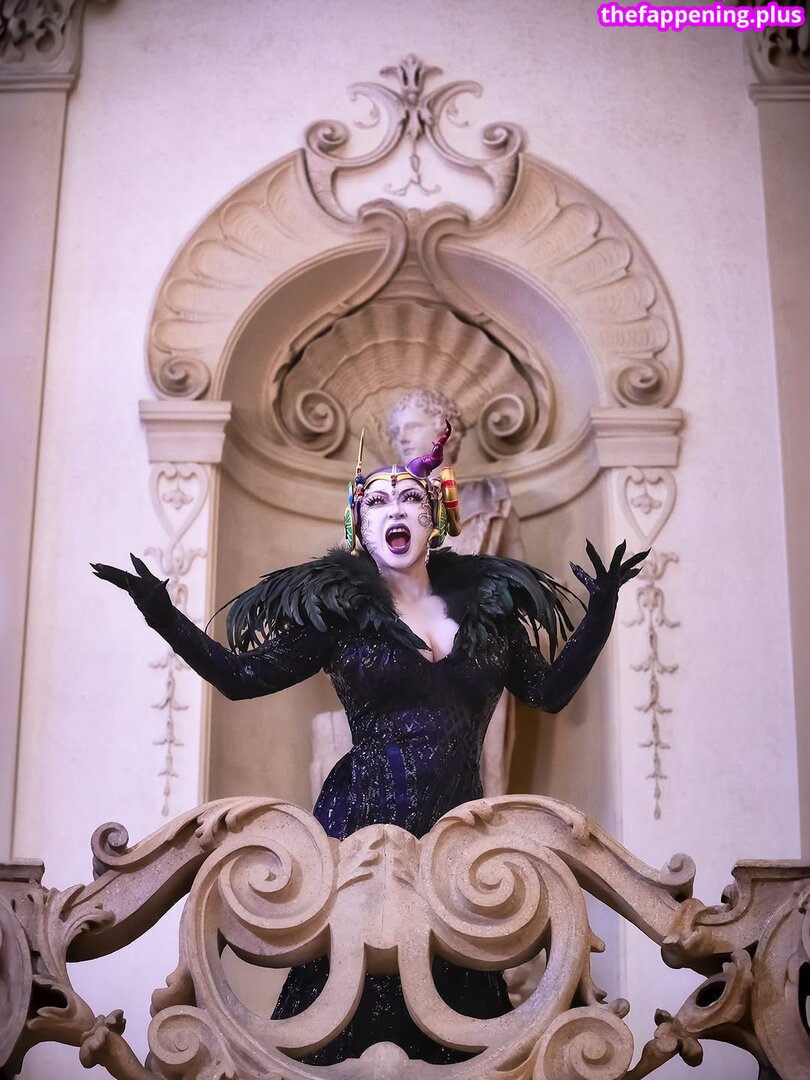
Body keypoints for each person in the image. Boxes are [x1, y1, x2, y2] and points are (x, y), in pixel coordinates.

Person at [92, 419, 645, 1064]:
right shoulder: (342, 615)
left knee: (467, 1012)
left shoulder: (490, 612)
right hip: (362, 827)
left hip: (459, 835)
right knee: (342, 1005)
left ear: (434, 517)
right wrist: (163, 615)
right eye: (377, 502)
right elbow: (241, 679)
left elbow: (547, 693)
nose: (394, 510)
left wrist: (599, 614)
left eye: (408, 498)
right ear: (359, 525)